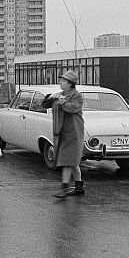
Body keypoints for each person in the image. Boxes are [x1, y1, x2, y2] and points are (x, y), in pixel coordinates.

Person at [42, 70, 85, 198]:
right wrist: (50, 97)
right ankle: (79, 186)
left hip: (73, 133)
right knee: (73, 162)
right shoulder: (59, 95)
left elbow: (73, 108)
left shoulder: (77, 96)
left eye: (63, 81)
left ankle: (64, 188)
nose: (60, 82)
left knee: (67, 161)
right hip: (61, 133)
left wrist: (62, 102)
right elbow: (44, 105)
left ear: (70, 84)